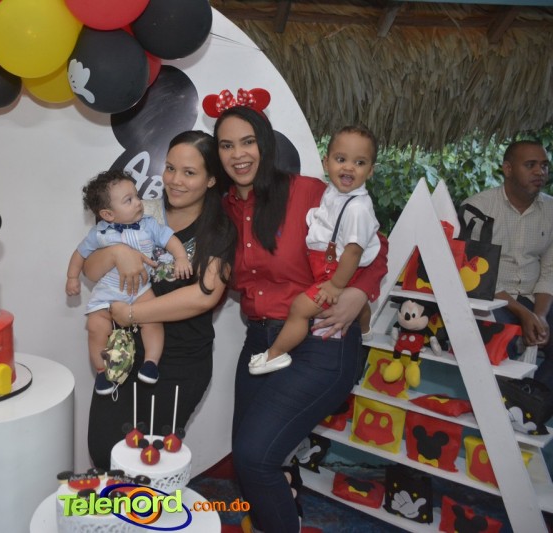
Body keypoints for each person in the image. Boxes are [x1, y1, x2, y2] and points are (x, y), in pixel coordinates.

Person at [216, 105, 388, 532]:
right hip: (260, 341)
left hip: (319, 340)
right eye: (226, 145)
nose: (238, 154)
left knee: (255, 456)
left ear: (265, 144)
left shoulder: (309, 192)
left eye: (248, 141)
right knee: (249, 456)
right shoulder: (222, 210)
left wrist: (358, 293)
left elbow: (375, 246)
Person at [83, 131, 237, 469]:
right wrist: (117, 253)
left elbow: (203, 296)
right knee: (104, 450)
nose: (175, 180)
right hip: (124, 352)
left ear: (211, 179)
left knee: (148, 462)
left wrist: (131, 313)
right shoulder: (139, 211)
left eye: (189, 172)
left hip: (181, 362)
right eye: (170, 168)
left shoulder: (220, 229)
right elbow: (90, 271)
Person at [248, 125, 381, 375]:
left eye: (359, 162)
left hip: (337, 272)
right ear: (326, 162)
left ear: (371, 170)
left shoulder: (357, 208)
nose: (349, 167)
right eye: (341, 159)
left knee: (300, 308)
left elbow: (354, 252)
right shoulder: (332, 193)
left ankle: (275, 354)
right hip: (328, 267)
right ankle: (364, 330)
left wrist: (336, 285)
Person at [66, 170, 192, 394]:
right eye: (129, 200)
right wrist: (72, 277)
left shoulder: (148, 224)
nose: (138, 202)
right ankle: (102, 371)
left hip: (140, 289)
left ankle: (151, 363)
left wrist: (181, 257)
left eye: (137, 196)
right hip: (108, 291)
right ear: (108, 214)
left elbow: (170, 239)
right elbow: (80, 254)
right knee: (95, 327)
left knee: (153, 320)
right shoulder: (99, 233)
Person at [461, 140, 552, 388]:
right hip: (493, 298)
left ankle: (534, 400)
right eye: (530, 165)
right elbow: (475, 274)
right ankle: (504, 400)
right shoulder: (477, 209)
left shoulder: (550, 210)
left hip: (534, 297)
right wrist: (524, 314)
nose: (540, 172)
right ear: (508, 169)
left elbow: (549, 270)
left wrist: (540, 315)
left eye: (544, 165)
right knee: (499, 341)